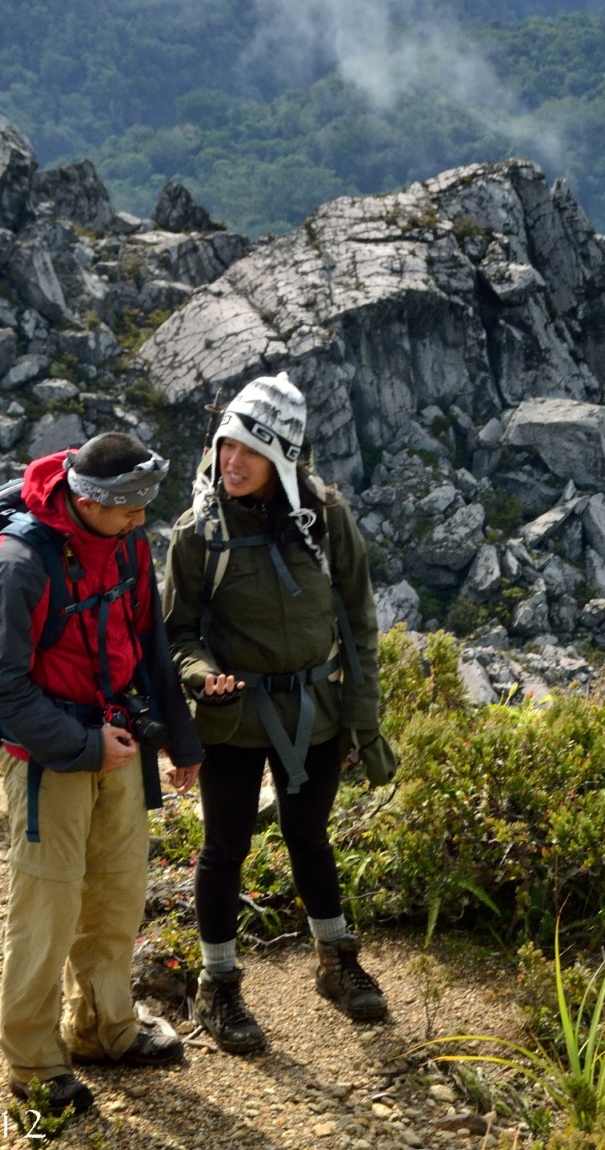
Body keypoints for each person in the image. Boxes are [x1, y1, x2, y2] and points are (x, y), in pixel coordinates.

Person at [0, 431, 205, 1115]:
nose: (141, 521)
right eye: (129, 509)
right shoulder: (17, 562)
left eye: (143, 509)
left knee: (117, 893)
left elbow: (150, 645)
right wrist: (82, 746)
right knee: (46, 909)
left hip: (120, 743)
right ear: (87, 499)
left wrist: (181, 739)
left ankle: (105, 1029)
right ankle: (34, 1064)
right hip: (52, 760)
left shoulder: (128, 544)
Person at [164, 372, 395, 1055]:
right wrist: (201, 678)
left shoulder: (324, 517)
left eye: (250, 452)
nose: (231, 461)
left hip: (314, 710)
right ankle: (219, 983)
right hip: (234, 717)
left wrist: (361, 719)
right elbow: (175, 632)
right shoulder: (198, 530)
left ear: (283, 460)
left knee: (308, 833)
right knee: (224, 846)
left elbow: (359, 620)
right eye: (225, 443)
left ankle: (334, 960)